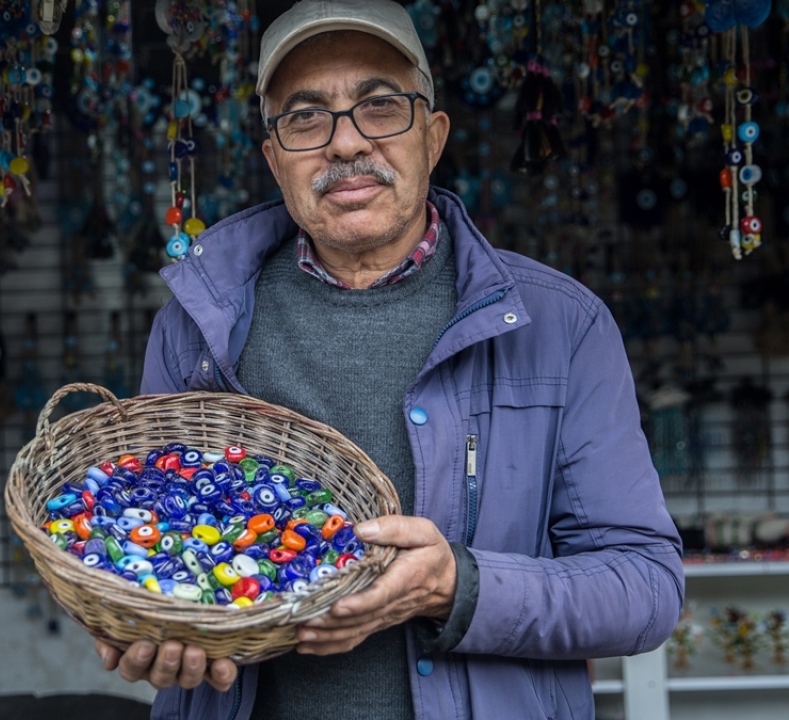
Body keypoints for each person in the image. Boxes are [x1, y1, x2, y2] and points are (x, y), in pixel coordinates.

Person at [93, 1, 685, 717]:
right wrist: (147, 627)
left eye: (379, 106)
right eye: (306, 117)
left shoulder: (561, 326)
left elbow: (645, 588)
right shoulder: (196, 329)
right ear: (273, 157)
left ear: (433, 137)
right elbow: (138, 546)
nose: (345, 143)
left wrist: (455, 587)